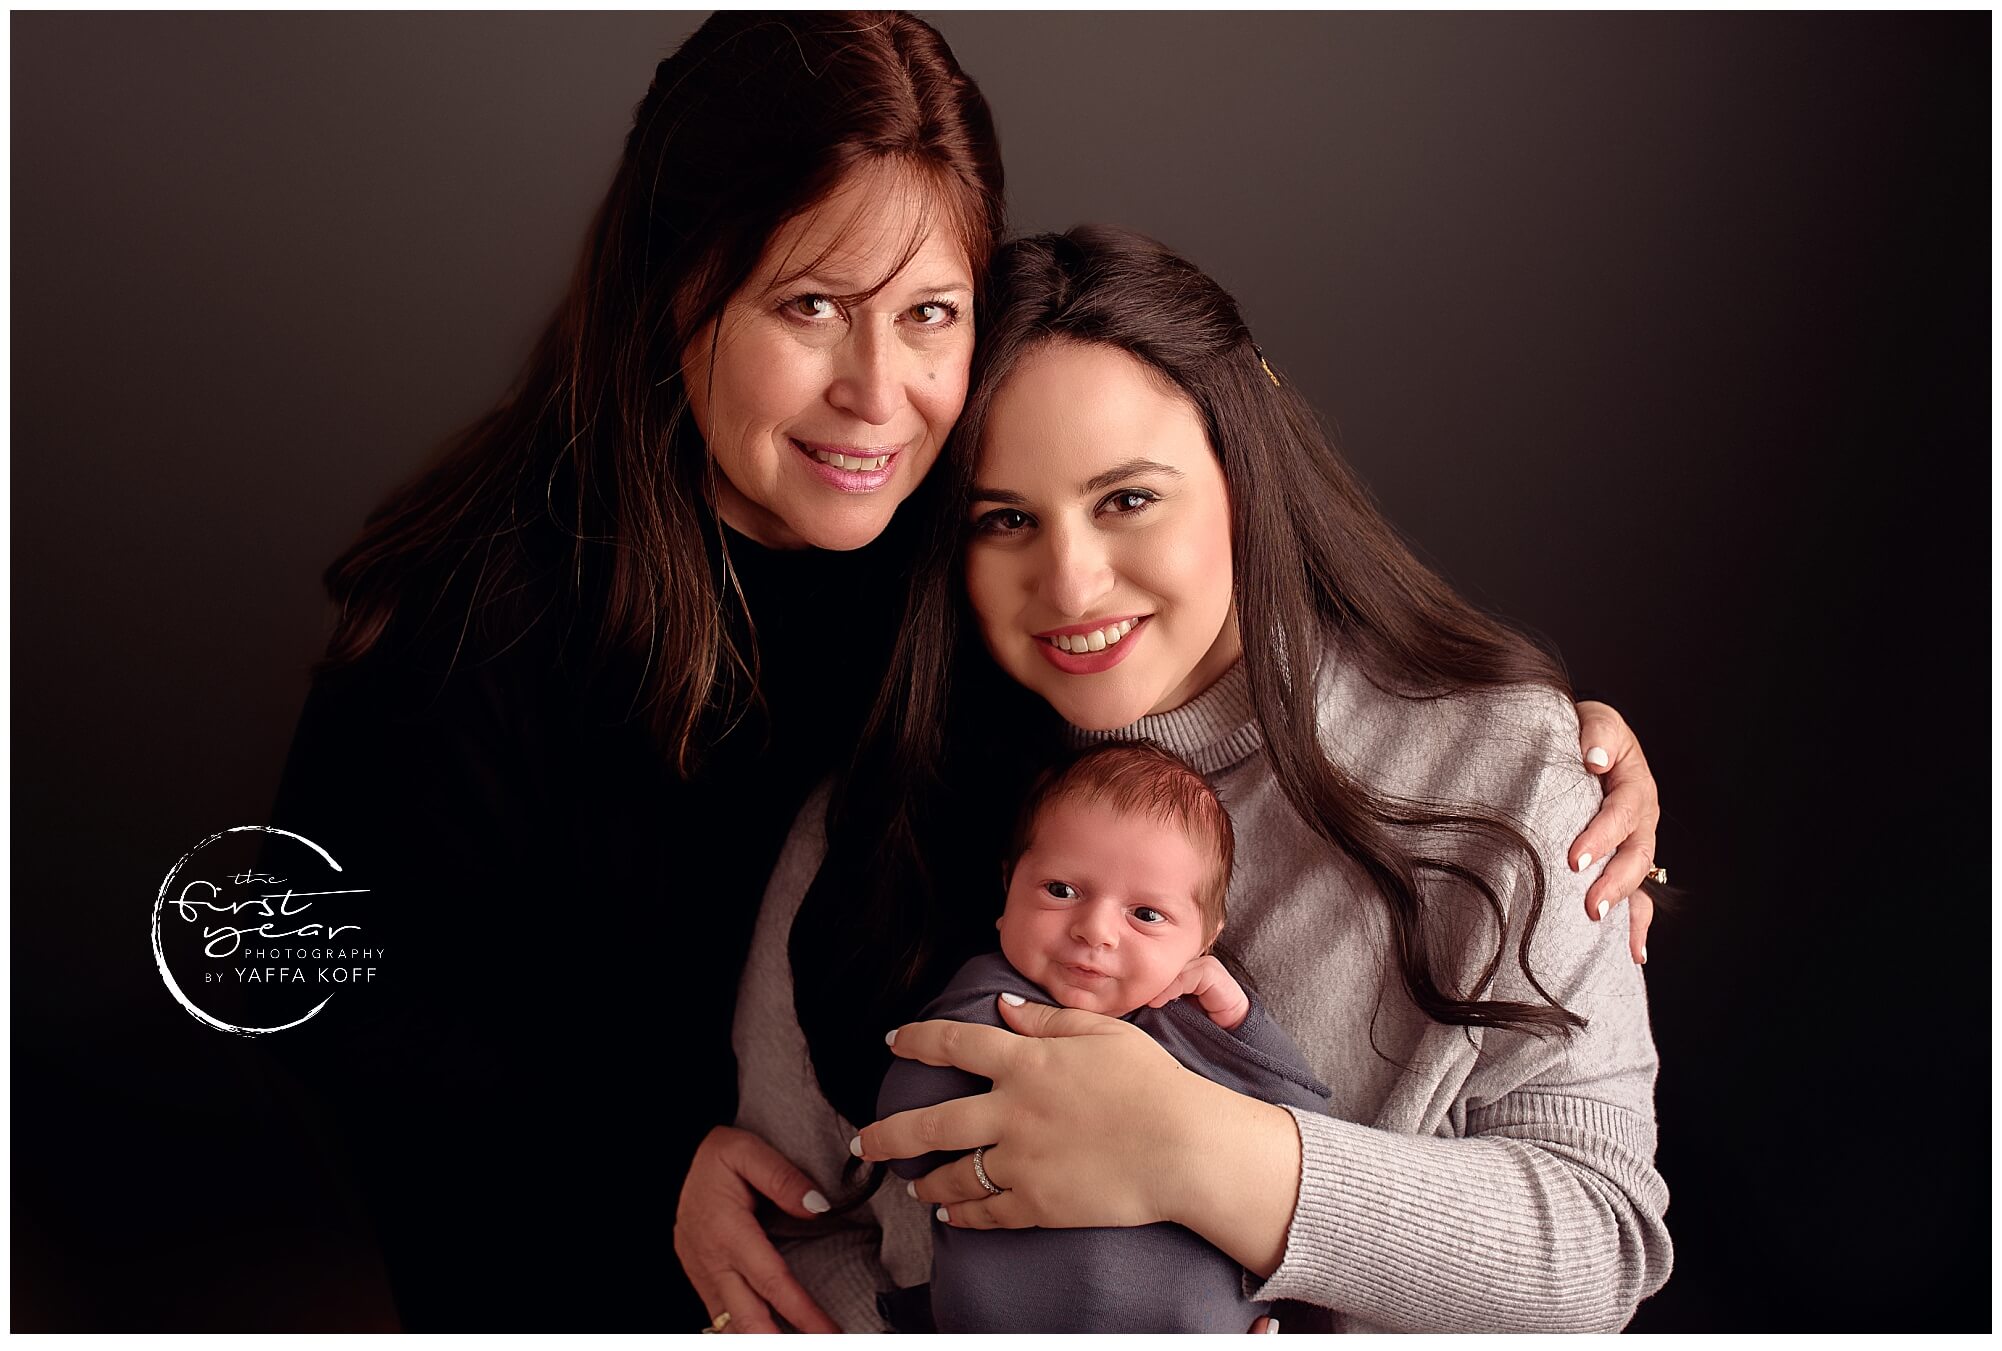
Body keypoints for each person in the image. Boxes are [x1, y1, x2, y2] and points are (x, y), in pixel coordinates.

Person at [252, 11, 1659, 1331]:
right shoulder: (483, 617)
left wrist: (1544, 755)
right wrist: (641, 1161)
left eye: (928, 312)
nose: (878, 393)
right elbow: (268, 959)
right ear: (677, 295)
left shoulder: (940, 555)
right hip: (582, 1254)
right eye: (809, 305)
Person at [730, 226, 1672, 1333]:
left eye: (1127, 499)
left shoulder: (1501, 774)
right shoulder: (881, 817)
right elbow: (799, 1227)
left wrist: (1194, 1152)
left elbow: (1598, 1247)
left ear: (1240, 470)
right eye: (1004, 520)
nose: (1070, 580)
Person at [874, 740, 1329, 1333]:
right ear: (1008, 889)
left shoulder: (1198, 1021)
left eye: (1146, 915)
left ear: (1205, 938)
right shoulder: (995, 1000)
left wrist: (1243, 1025)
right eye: (1060, 891)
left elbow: (1310, 1133)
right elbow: (908, 1138)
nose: (1095, 930)